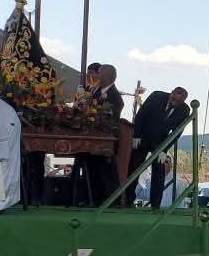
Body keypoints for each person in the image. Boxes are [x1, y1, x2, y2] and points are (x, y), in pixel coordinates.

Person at [128, 87, 190, 209]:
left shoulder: (184, 110)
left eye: (178, 102)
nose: (174, 102)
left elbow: (177, 133)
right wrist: (136, 135)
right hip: (143, 136)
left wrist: (164, 149)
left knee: (159, 172)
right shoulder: (156, 96)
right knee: (134, 168)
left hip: (161, 142)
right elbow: (141, 114)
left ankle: (155, 205)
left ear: (182, 102)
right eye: (173, 99)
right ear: (171, 93)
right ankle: (128, 200)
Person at [79, 63, 124, 206]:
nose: (97, 76)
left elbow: (111, 117)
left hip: (106, 139)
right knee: (92, 168)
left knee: (106, 171)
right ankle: (91, 198)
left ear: (108, 76)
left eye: (99, 73)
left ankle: (111, 201)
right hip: (92, 137)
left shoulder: (115, 96)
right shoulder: (95, 90)